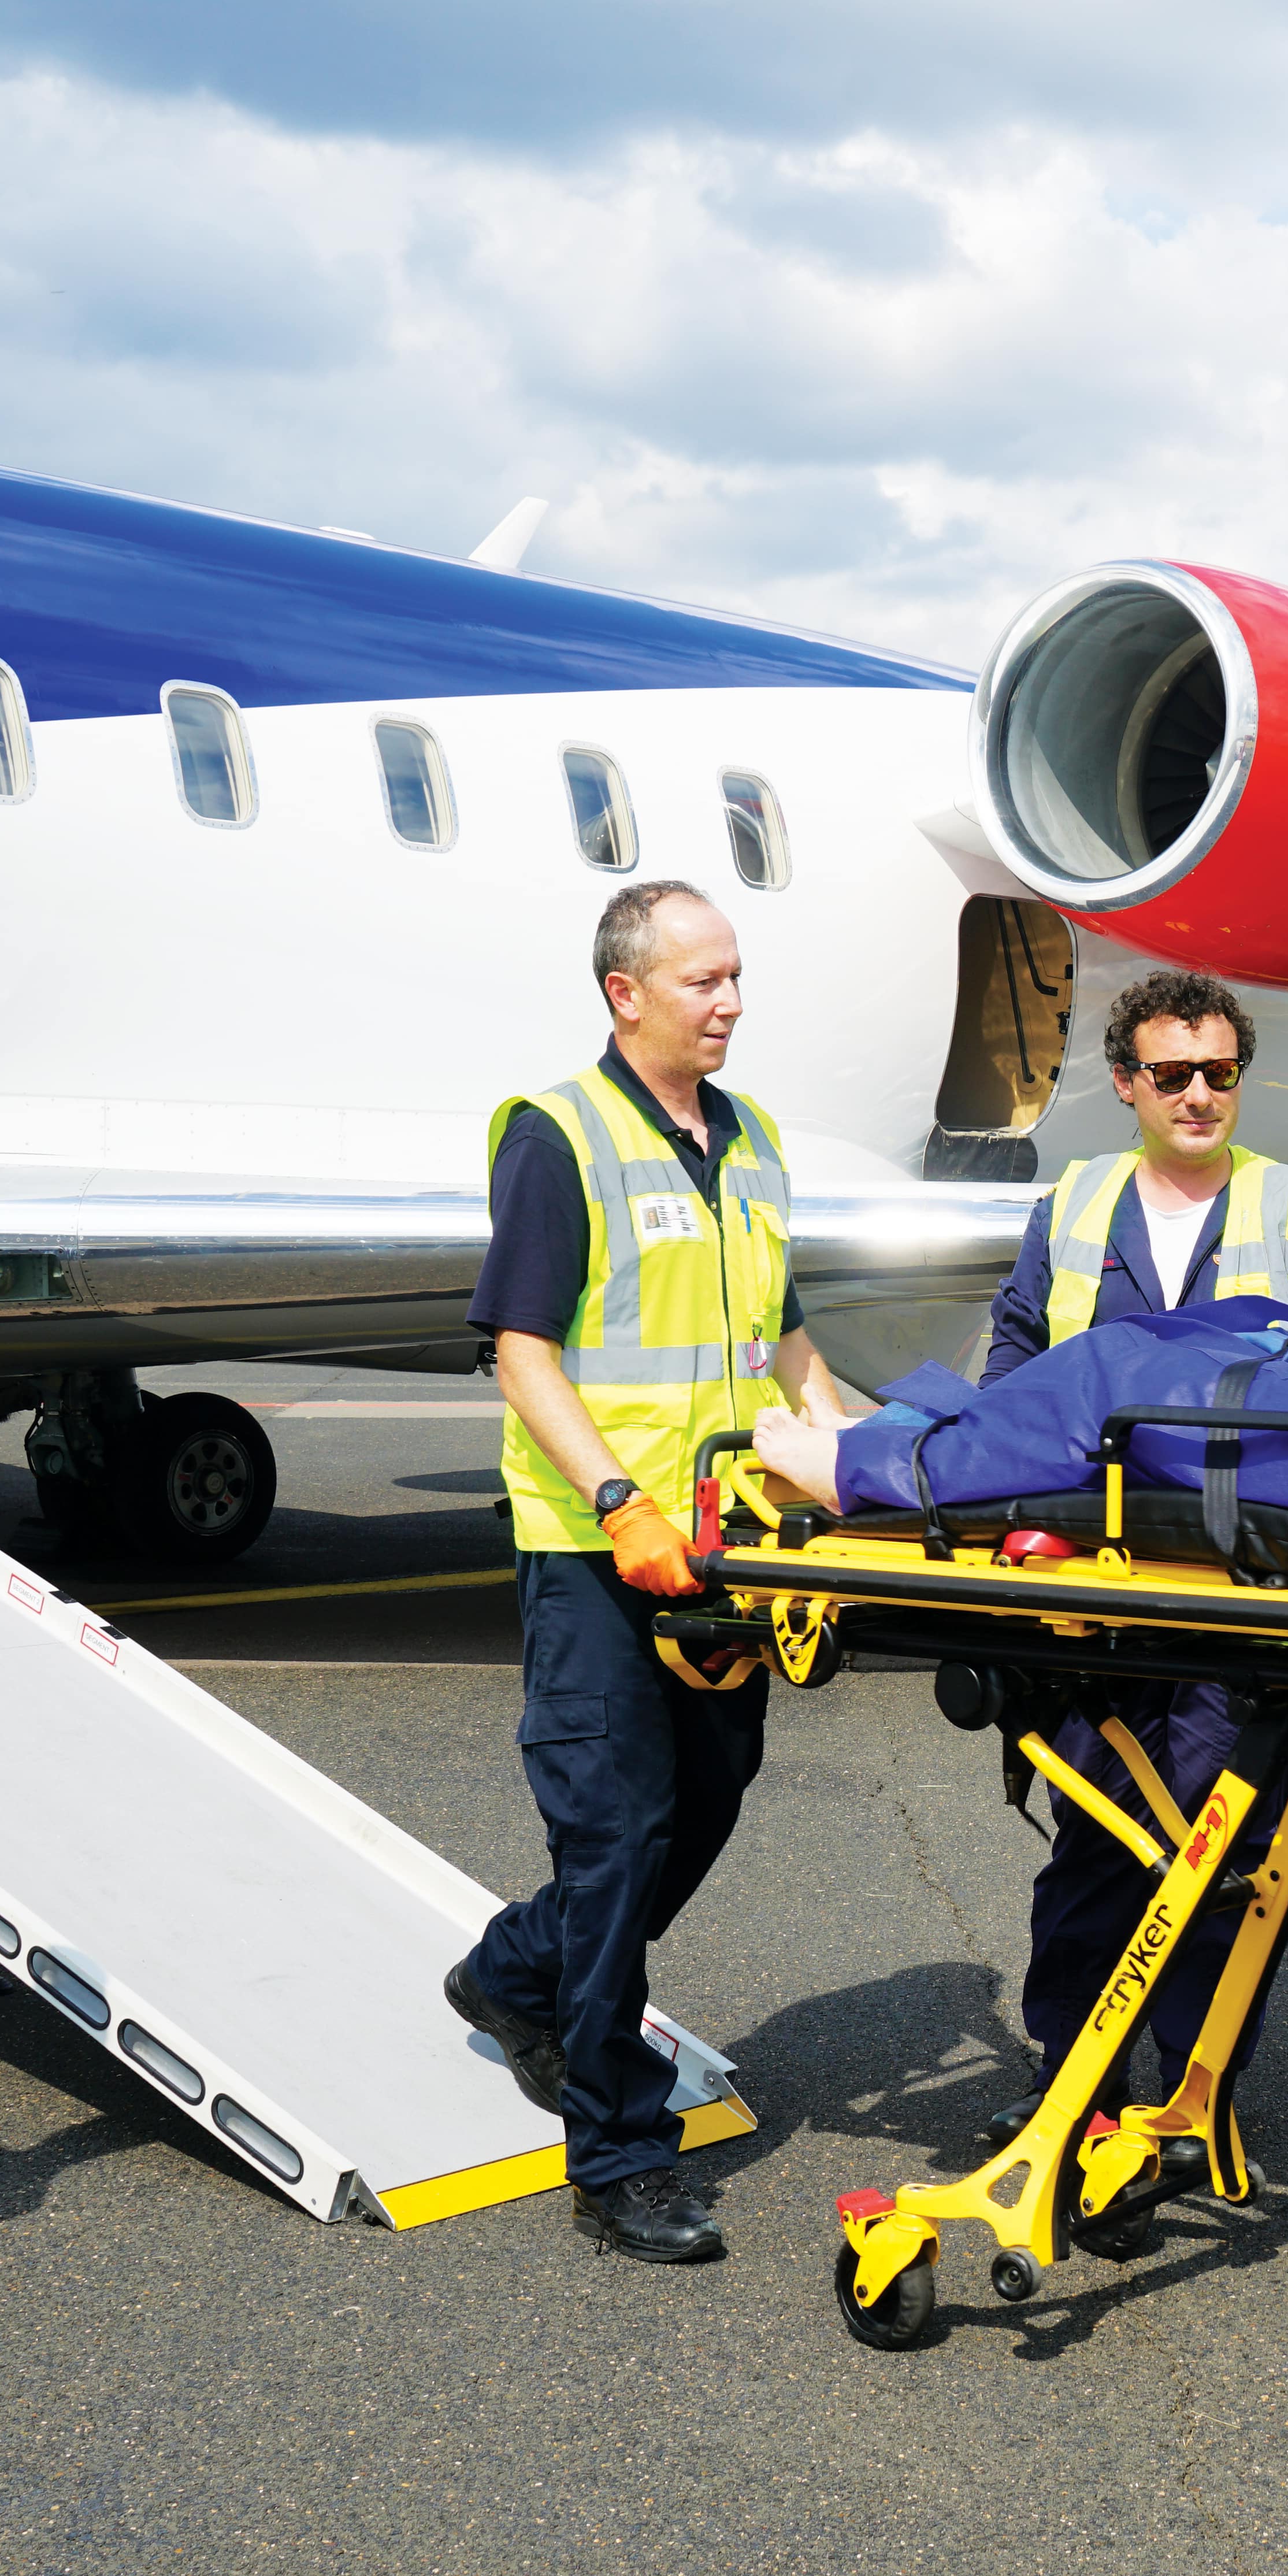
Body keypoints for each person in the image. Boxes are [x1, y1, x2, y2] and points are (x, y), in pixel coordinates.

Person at [450, 880, 857, 2267]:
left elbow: (782, 1349)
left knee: (709, 1800)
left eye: (736, 976)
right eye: (703, 981)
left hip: (720, 1549)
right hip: (596, 1548)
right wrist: (616, 1497)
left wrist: (884, 1463)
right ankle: (617, 2151)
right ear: (627, 993)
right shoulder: (560, 1137)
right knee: (615, 1835)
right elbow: (521, 1351)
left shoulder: (752, 1144)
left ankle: (512, 1972)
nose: (730, 1001)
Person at [978, 968, 1288, 2162]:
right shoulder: (1076, 1203)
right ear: (1126, 1087)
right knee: (1095, 1839)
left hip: (1239, 1584)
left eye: (1218, 1073)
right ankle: (1069, 2083)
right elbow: (1012, 1344)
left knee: (1217, 1845)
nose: (1198, 1095)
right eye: (1172, 1075)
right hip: (1091, 1584)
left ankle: (1192, 2092)